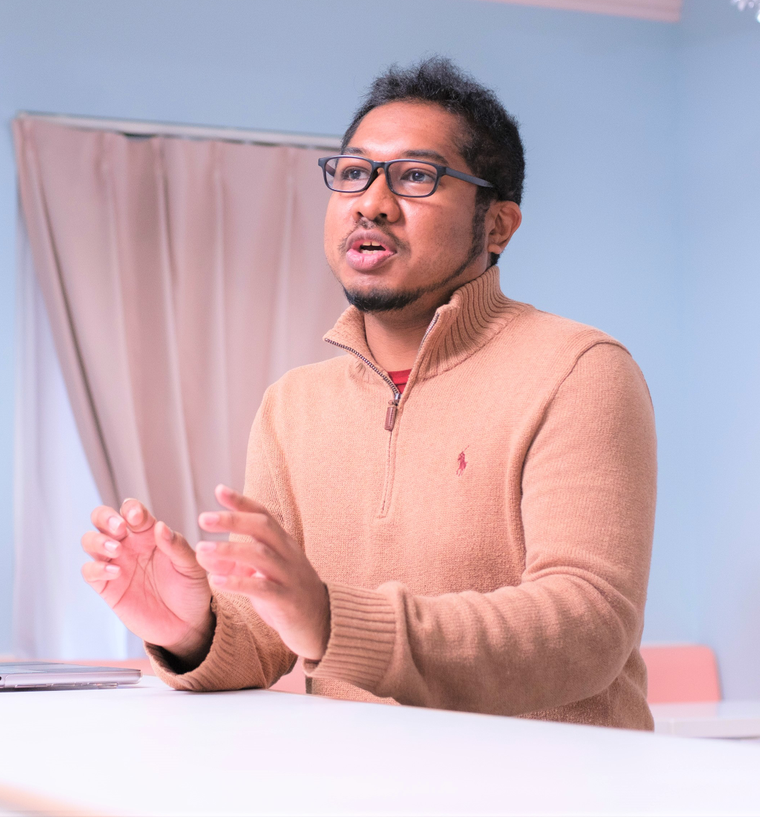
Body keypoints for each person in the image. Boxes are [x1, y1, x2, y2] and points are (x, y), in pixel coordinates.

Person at [80, 57, 657, 728]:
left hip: (551, 780)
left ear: (497, 226)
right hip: (354, 777)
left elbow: (588, 625)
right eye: (354, 172)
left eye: (415, 177)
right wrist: (192, 628)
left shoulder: (579, 369)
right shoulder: (293, 405)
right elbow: (272, 634)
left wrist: (336, 620)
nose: (371, 202)